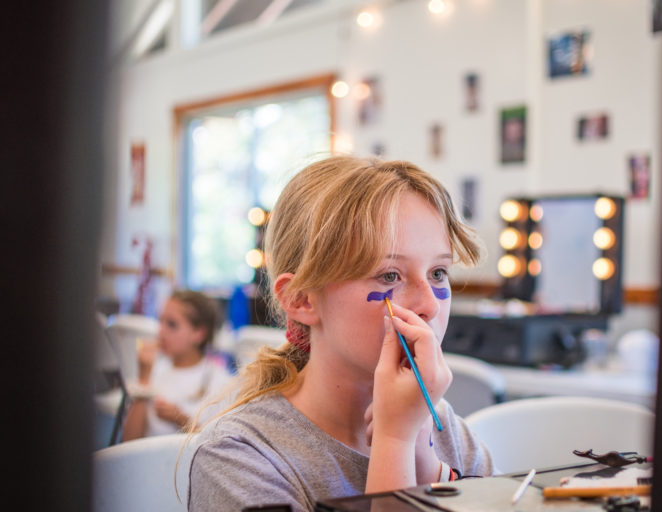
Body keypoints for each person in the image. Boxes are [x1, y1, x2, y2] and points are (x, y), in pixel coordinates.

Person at [187, 156, 498, 511]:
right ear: (301, 299)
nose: (430, 304)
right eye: (390, 276)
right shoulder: (240, 458)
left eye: (438, 273)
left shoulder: (440, 427)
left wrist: (430, 470)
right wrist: (394, 440)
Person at [122, 290, 234, 441]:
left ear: (199, 333)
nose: (161, 331)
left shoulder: (220, 382)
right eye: (160, 321)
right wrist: (143, 379)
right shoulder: (153, 368)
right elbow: (129, 442)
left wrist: (181, 420)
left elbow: (219, 445)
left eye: (172, 324)